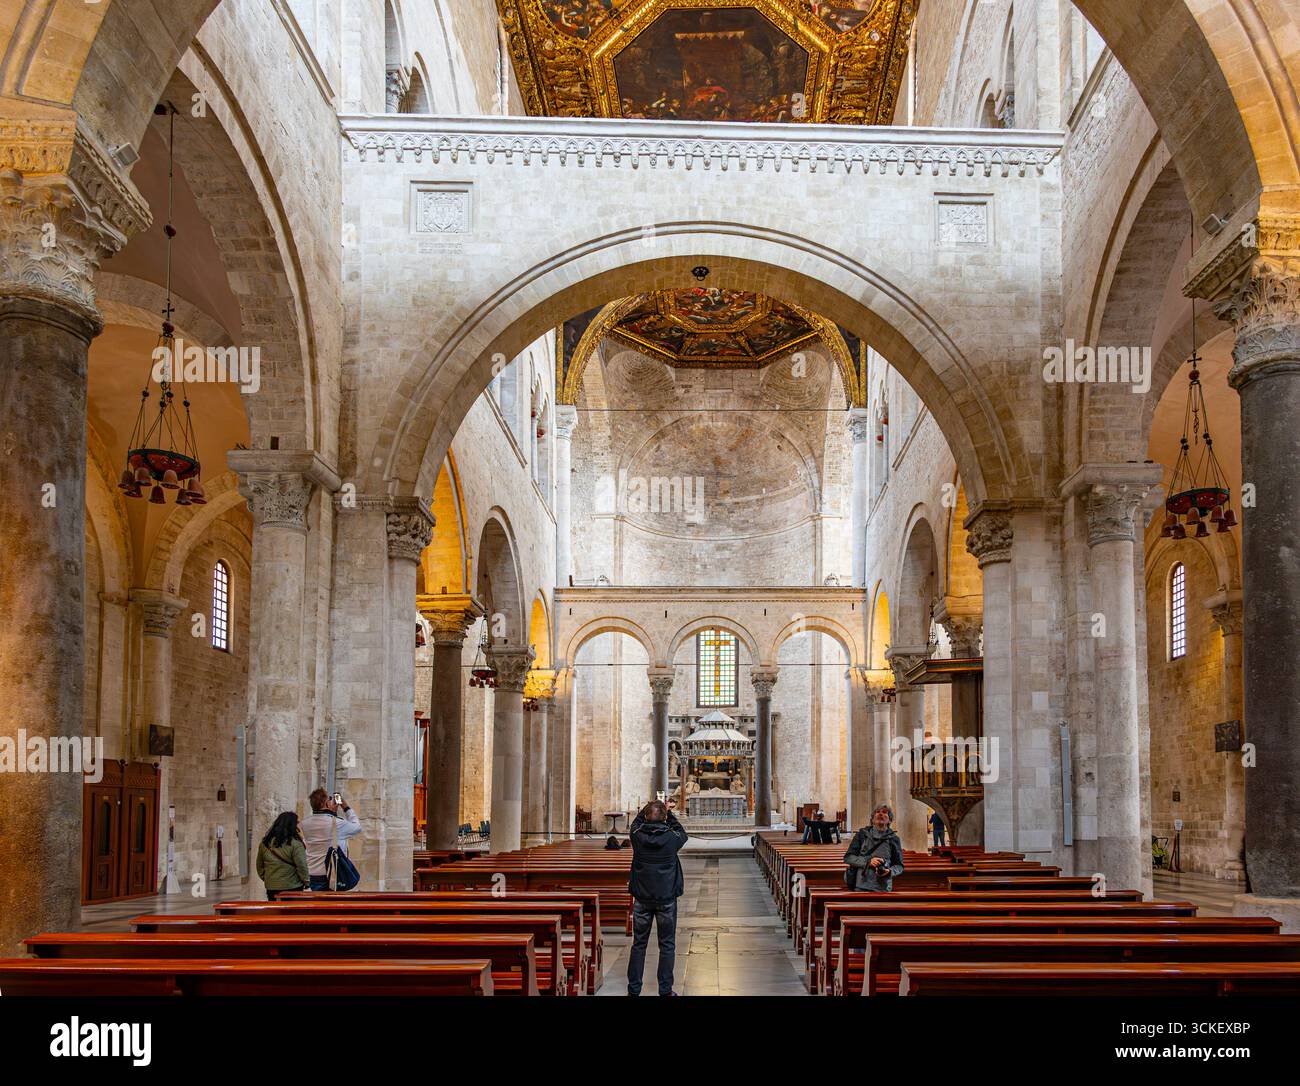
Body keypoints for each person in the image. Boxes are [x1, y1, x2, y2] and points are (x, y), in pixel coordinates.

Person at [626, 799, 688, 996]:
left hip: (642, 898)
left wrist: (647, 810)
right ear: (665, 818)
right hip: (666, 898)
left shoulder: (637, 835)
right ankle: (666, 991)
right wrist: (669, 812)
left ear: (645, 816)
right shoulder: (672, 838)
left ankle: (634, 990)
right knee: (667, 944)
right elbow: (682, 831)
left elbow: (635, 824)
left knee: (639, 944)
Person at [301, 787, 362, 891]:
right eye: (329, 799)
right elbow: (357, 827)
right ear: (324, 804)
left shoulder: (305, 823)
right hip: (330, 873)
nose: (331, 800)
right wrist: (345, 807)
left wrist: (332, 814)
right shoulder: (337, 823)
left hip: (311, 872)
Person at [843, 804, 905, 892]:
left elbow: (899, 866)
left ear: (889, 820)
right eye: (877, 812)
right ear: (872, 819)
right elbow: (848, 858)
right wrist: (868, 862)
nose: (880, 814)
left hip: (883, 888)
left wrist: (890, 871)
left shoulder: (894, 839)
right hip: (861, 886)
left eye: (884, 812)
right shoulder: (862, 835)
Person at [254, 811, 309, 900]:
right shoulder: (295, 844)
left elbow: (259, 865)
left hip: (271, 886)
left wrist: (267, 878)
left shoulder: (265, 843)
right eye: (297, 823)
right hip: (292, 885)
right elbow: (302, 865)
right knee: (291, 912)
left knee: (275, 911)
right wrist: (306, 881)